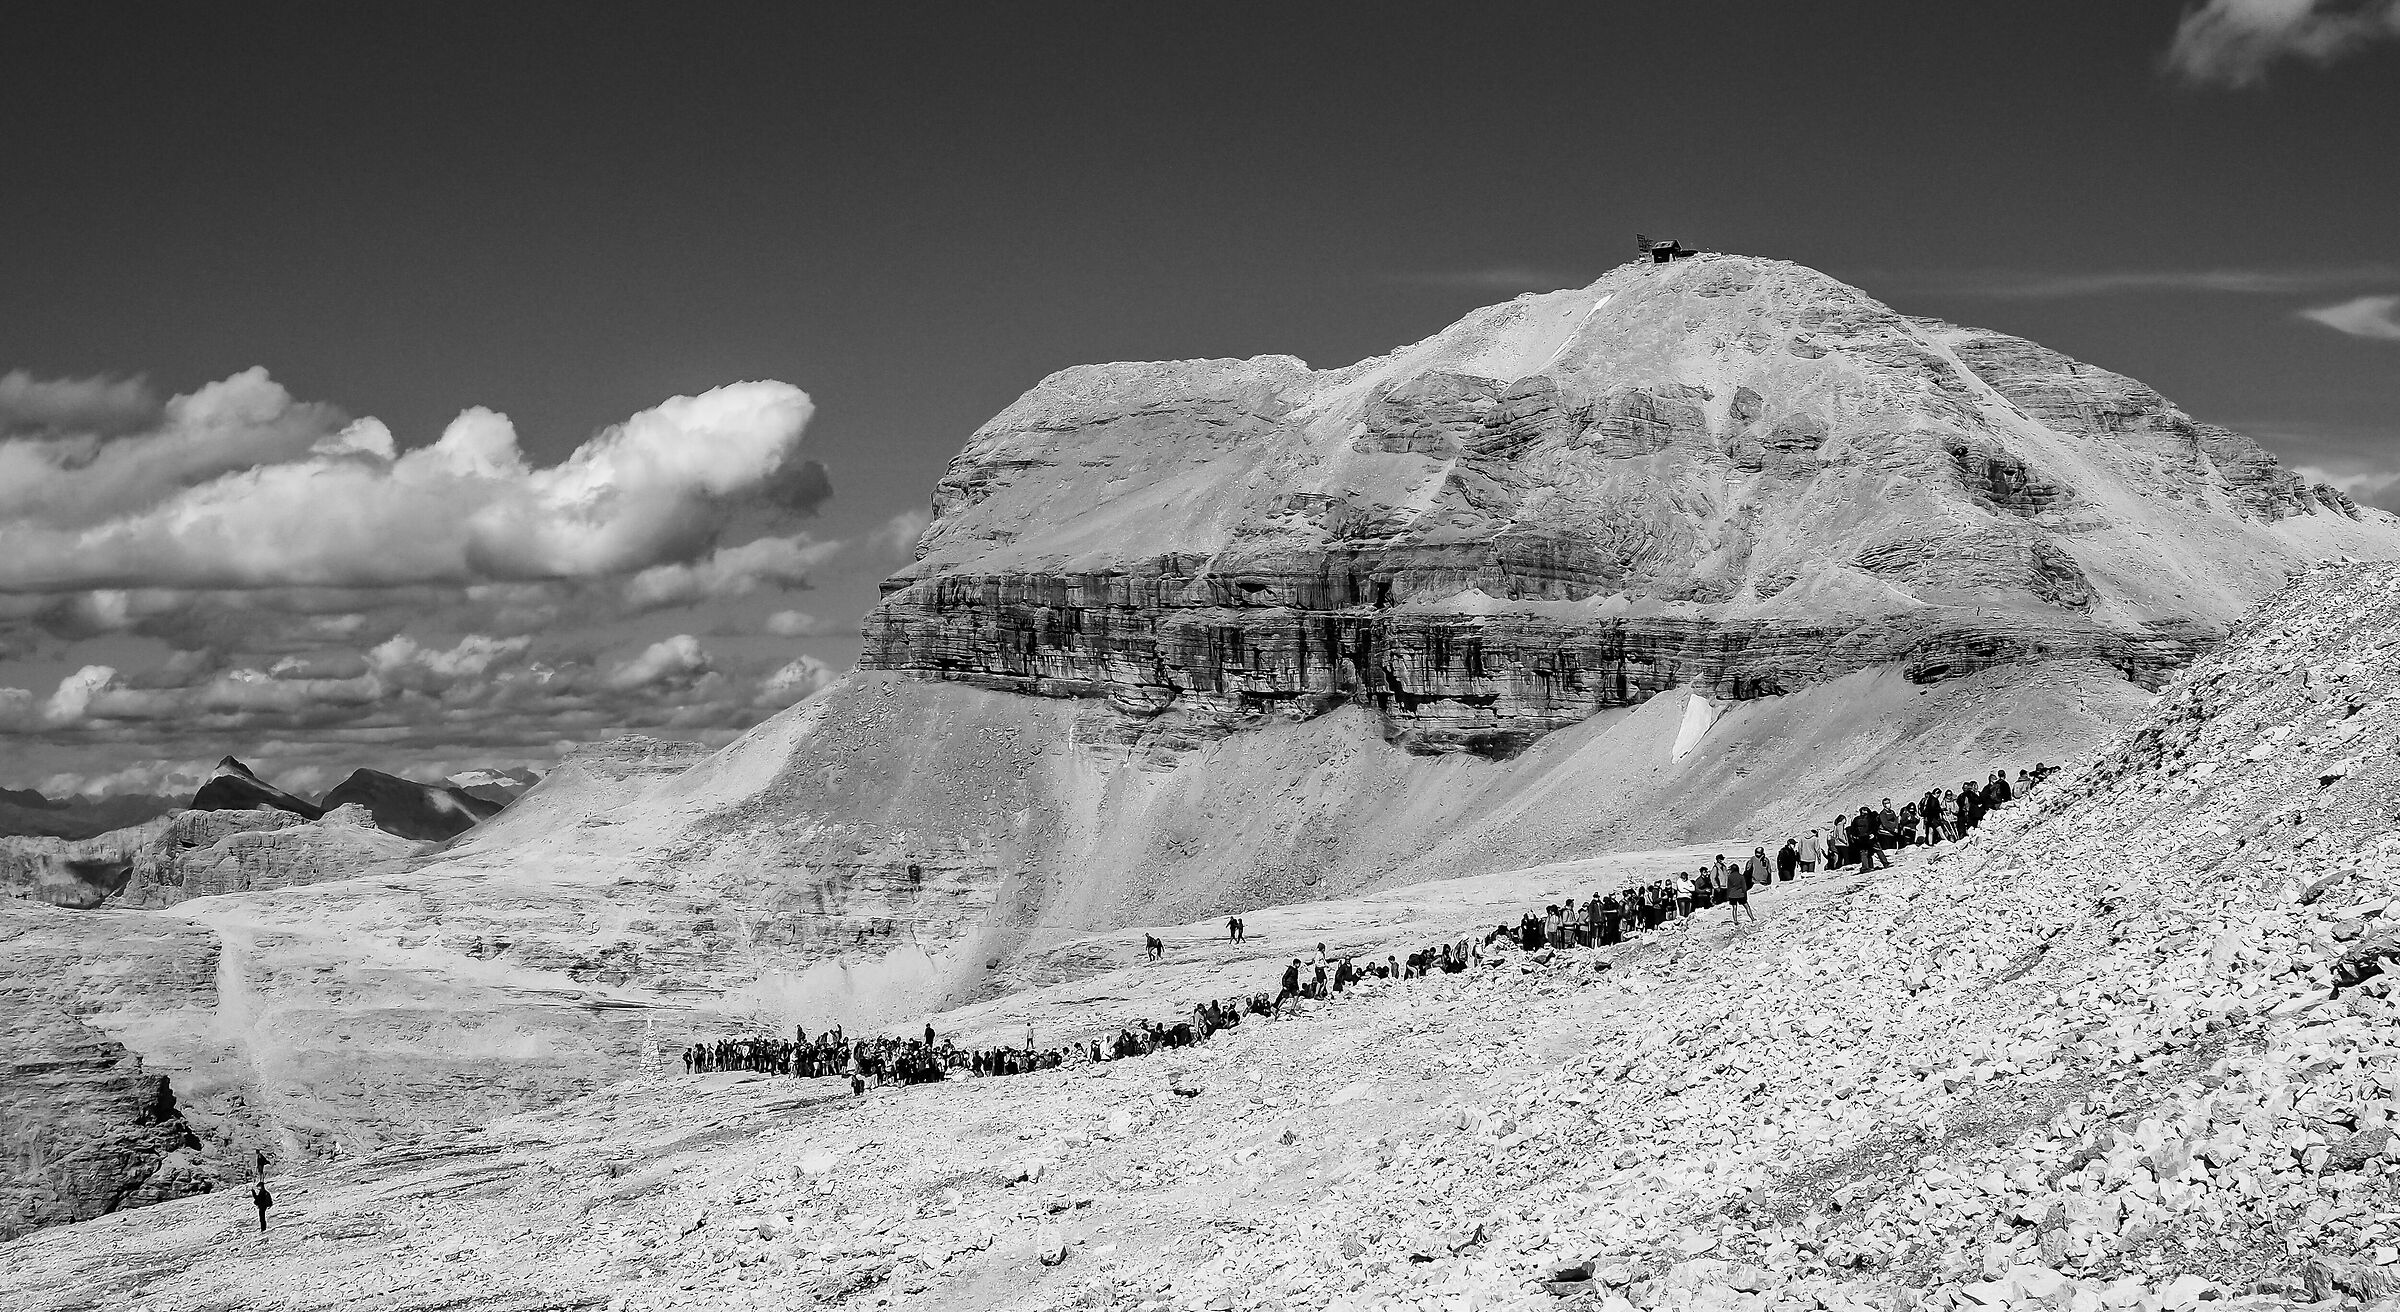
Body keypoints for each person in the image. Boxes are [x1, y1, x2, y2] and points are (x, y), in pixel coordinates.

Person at [1721, 855, 1755, 925]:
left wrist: (1728, 896)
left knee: (1734, 908)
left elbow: (1729, 887)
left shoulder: (1729, 877)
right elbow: (1744, 887)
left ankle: (1735, 920)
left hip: (1732, 894)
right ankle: (1752, 918)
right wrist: (1745, 894)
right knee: (1747, 906)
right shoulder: (1741, 876)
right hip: (1740, 894)